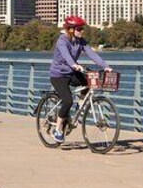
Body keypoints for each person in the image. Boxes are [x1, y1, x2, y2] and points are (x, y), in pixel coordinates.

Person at [48, 16, 112, 144]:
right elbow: (66, 55)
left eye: (82, 28)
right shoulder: (63, 40)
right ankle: (57, 129)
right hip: (58, 75)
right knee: (67, 100)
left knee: (89, 82)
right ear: (71, 30)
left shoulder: (80, 41)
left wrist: (105, 66)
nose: (82, 31)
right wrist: (74, 64)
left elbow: (92, 53)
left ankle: (80, 105)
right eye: (79, 29)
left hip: (72, 72)